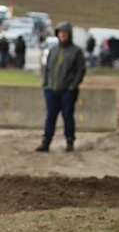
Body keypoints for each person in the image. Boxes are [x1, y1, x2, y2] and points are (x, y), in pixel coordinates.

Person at [38, 22, 88, 153]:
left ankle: (70, 140)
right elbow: (47, 68)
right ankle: (46, 141)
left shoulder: (76, 51)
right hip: (51, 89)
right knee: (50, 116)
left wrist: (73, 85)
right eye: (60, 33)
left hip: (67, 90)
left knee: (67, 115)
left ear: (69, 35)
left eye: (65, 33)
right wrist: (45, 84)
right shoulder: (53, 50)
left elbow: (81, 70)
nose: (62, 35)